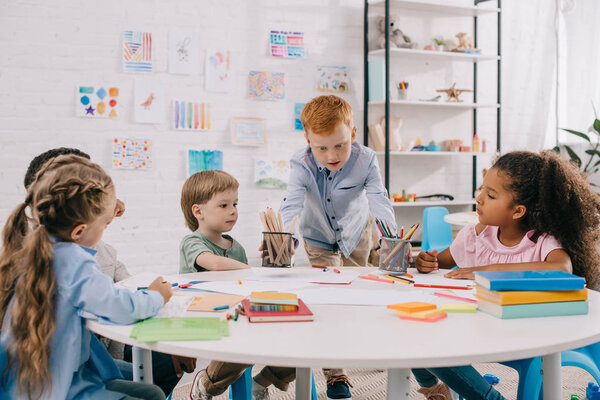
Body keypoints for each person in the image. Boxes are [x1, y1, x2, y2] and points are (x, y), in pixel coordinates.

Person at [412, 150, 600, 399]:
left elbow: (562, 268)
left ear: (518, 211)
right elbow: (440, 263)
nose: (479, 199)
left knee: (433, 346)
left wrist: (488, 271)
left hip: (526, 336)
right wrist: (425, 261)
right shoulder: (476, 236)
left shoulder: (539, 241)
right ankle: (435, 389)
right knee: (418, 336)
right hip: (478, 328)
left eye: (490, 195)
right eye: (482, 190)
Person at [23, 147, 196, 396]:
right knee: (151, 391)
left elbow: (123, 287)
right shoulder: (75, 260)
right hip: (62, 379)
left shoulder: (40, 251)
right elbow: (118, 306)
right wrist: (156, 296)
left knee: (151, 385)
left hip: (43, 372)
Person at [279, 94, 396, 399]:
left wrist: (393, 241)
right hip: (318, 237)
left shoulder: (367, 159)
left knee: (359, 295)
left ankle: (366, 346)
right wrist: (282, 239)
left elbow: (379, 200)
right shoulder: (300, 163)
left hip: (358, 234)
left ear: (353, 133)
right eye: (321, 147)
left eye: (340, 145)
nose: (331, 155)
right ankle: (336, 374)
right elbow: (290, 204)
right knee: (329, 299)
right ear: (308, 140)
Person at [179, 170, 296, 400]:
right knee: (242, 345)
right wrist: (252, 269)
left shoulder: (236, 247)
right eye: (223, 205)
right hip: (204, 314)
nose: (233, 210)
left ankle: (261, 382)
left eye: (235, 203)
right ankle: (206, 383)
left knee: (294, 334)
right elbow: (212, 262)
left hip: (236, 311)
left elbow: (246, 283)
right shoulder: (192, 241)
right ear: (198, 211)